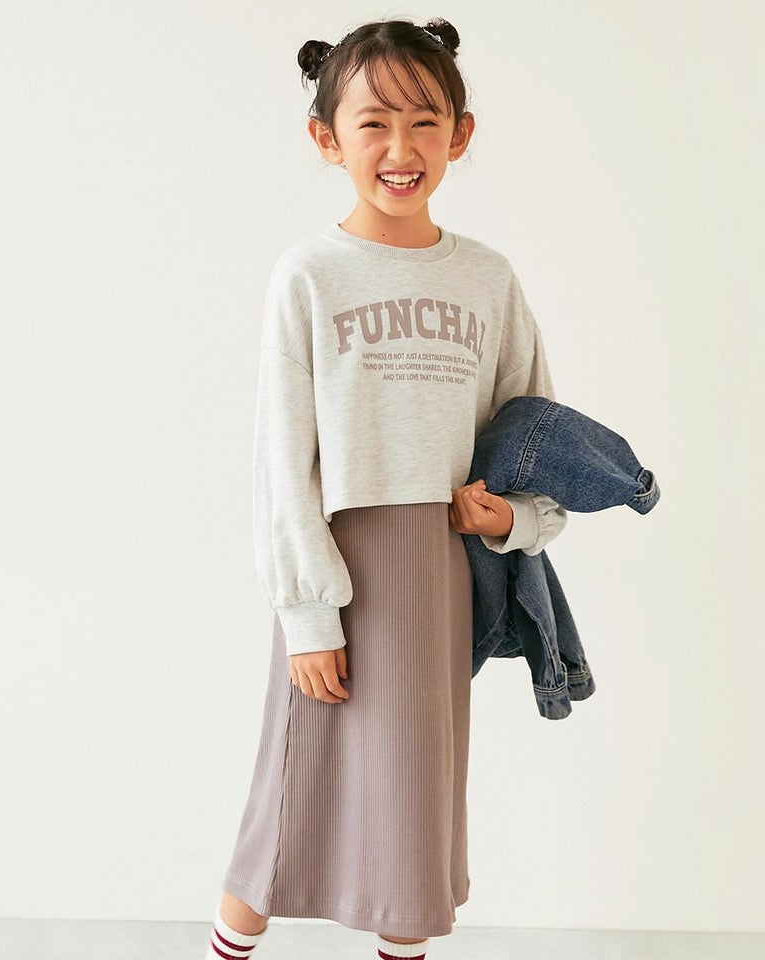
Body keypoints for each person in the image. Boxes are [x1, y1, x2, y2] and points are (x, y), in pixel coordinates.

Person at [203, 17, 568, 960]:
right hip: (338, 562)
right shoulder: (310, 275)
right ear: (327, 138)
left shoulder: (488, 280)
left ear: (460, 134)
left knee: (415, 802)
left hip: (441, 569)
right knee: (290, 798)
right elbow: (281, 456)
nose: (400, 150)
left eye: (424, 123)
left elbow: (539, 438)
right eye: (373, 124)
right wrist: (307, 615)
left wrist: (516, 518)